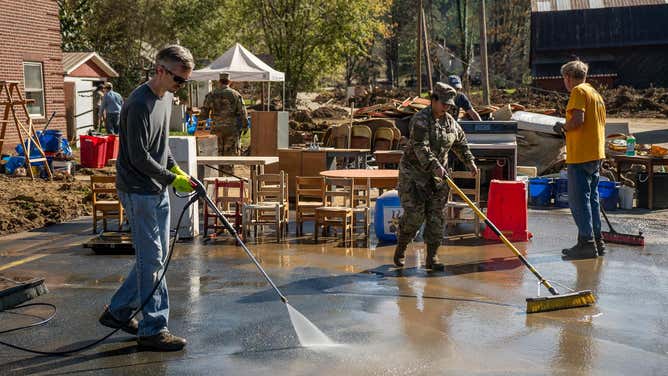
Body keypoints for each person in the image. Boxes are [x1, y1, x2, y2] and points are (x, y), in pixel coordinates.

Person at [98, 45, 195, 351]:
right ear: (160, 71)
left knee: (155, 259)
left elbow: (160, 147)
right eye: (178, 80)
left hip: (157, 189)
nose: (181, 86)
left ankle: (118, 311)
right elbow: (139, 157)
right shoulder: (138, 103)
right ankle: (153, 328)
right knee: (151, 259)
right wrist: (171, 178)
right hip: (137, 191)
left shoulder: (166, 99)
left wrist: (177, 170)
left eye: (185, 82)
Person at [393, 82, 477, 271]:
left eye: (449, 104)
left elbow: (461, 143)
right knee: (415, 216)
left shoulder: (450, 122)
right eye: (444, 103)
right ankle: (401, 248)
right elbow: (420, 146)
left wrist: (469, 161)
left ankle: (432, 257)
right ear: (433, 100)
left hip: (438, 179)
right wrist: (434, 165)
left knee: (436, 218)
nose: (447, 107)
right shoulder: (420, 120)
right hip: (415, 176)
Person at [552, 60, 606, 260]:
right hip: (595, 153)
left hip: (581, 154)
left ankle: (586, 243)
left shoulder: (579, 92)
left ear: (568, 77)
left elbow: (577, 120)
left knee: (578, 201)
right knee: (592, 199)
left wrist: (563, 127)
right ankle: (597, 241)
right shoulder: (595, 94)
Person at [199, 72, 248, 176]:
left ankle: (217, 179)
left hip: (216, 129)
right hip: (231, 130)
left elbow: (204, 113)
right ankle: (228, 182)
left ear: (219, 81)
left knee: (217, 155)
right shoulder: (236, 95)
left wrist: (200, 130)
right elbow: (243, 112)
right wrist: (244, 126)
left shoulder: (211, 94)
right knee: (229, 156)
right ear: (229, 82)